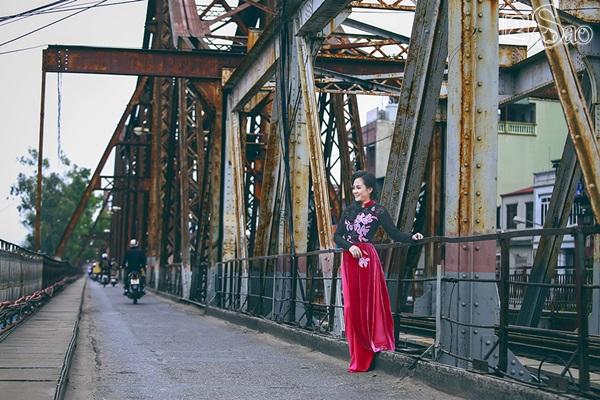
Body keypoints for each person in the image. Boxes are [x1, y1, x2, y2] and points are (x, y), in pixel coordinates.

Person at [333, 170, 423, 373]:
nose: (355, 191)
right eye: (353, 188)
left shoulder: (378, 211)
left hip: (366, 260)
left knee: (366, 305)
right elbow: (337, 236)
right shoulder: (349, 211)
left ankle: (368, 349)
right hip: (350, 259)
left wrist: (412, 237)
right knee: (351, 307)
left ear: (369, 189)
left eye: (358, 187)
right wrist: (349, 246)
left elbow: (395, 234)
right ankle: (357, 354)